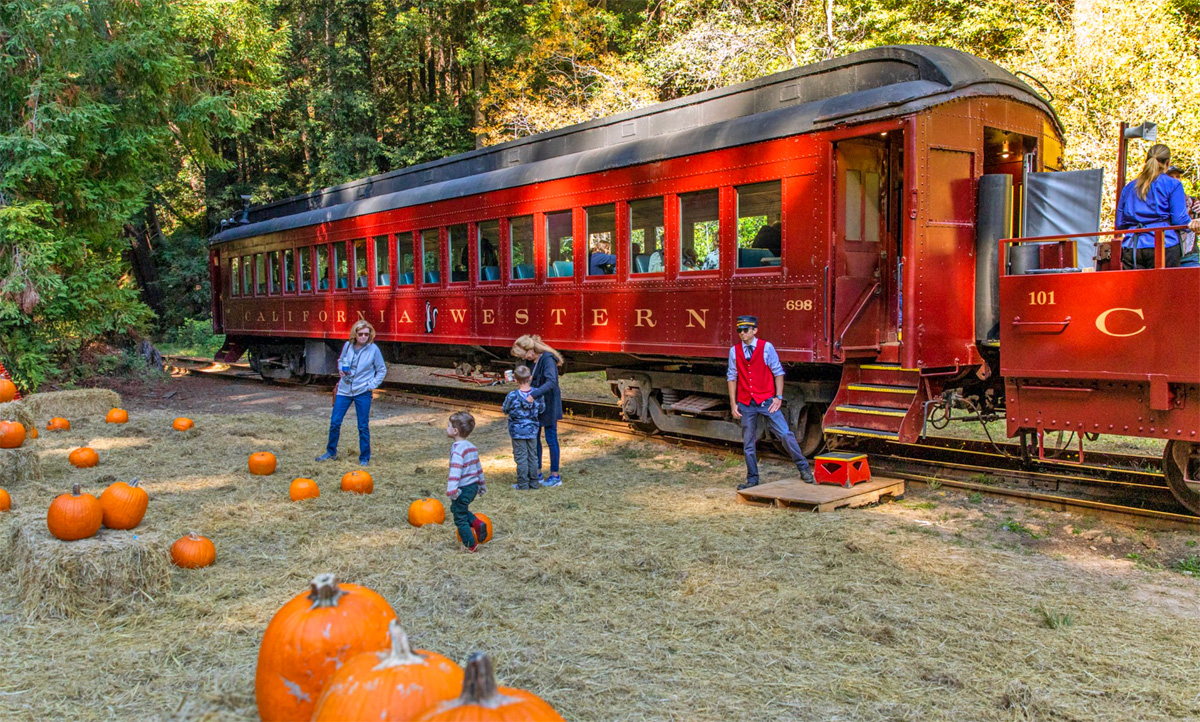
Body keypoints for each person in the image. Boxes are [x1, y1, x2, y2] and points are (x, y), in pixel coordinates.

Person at [726, 315, 814, 490]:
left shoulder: (766, 347)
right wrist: (733, 403)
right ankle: (752, 479)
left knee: (785, 434)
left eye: (745, 330)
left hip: (766, 400)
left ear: (754, 330)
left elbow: (778, 372)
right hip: (746, 402)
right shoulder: (734, 351)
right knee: (748, 443)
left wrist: (778, 397)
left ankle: (804, 468)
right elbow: (731, 377)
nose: (742, 334)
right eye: (739, 330)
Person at [1115, 144, 1200, 269]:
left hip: (1132, 246)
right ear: (1167, 162)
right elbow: (1179, 219)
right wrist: (1193, 224)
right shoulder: (1173, 185)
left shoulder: (1129, 187)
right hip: (1164, 245)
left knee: (1138, 289)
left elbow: (1120, 223)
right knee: (1164, 288)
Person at [316, 320, 387, 465]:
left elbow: (381, 369)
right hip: (344, 390)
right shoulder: (348, 346)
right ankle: (331, 452)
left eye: (366, 334)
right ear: (355, 334)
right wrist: (341, 369)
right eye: (360, 334)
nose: (363, 337)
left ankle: (364, 458)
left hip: (363, 391)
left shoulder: (373, 349)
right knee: (335, 422)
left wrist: (371, 385)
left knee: (362, 426)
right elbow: (341, 360)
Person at [511, 334, 564, 487]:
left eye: (523, 355)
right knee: (535, 438)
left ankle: (555, 475)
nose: (524, 359)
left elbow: (551, 382)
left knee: (551, 438)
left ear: (530, 350)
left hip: (549, 403)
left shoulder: (547, 359)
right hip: (538, 404)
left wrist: (533, 395)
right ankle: (537, 472)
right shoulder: (531, 360)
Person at [445, 411, 488, 552]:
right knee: (457, 509)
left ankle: (471, 546)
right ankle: (477, 523)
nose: (446, 427)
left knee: (460, 518)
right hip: (473, 487)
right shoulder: (471, 447)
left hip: (462, 488)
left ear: (455, 431)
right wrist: (482, 485)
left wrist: (452, 490)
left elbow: (455, 471)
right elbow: (478, 467)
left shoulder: (457, 450)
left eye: (448, 425)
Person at [503, 365, 545, 490]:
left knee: (521, 457)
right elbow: (542, 409)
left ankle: (523, 484)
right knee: (533, 456)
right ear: (530, 378)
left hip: (517, 431)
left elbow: (505, 409)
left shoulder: (512, 395)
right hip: (532, 430)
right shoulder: (537, 394)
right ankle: (534, 483)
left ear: (515, 379)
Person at [1165, 165, 1200, 267]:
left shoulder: (1192, 201)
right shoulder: (1159, 201)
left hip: (1190, 254)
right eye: (1172, 177)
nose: (1176, 180)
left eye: (1178, 176)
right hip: (1168, 254)